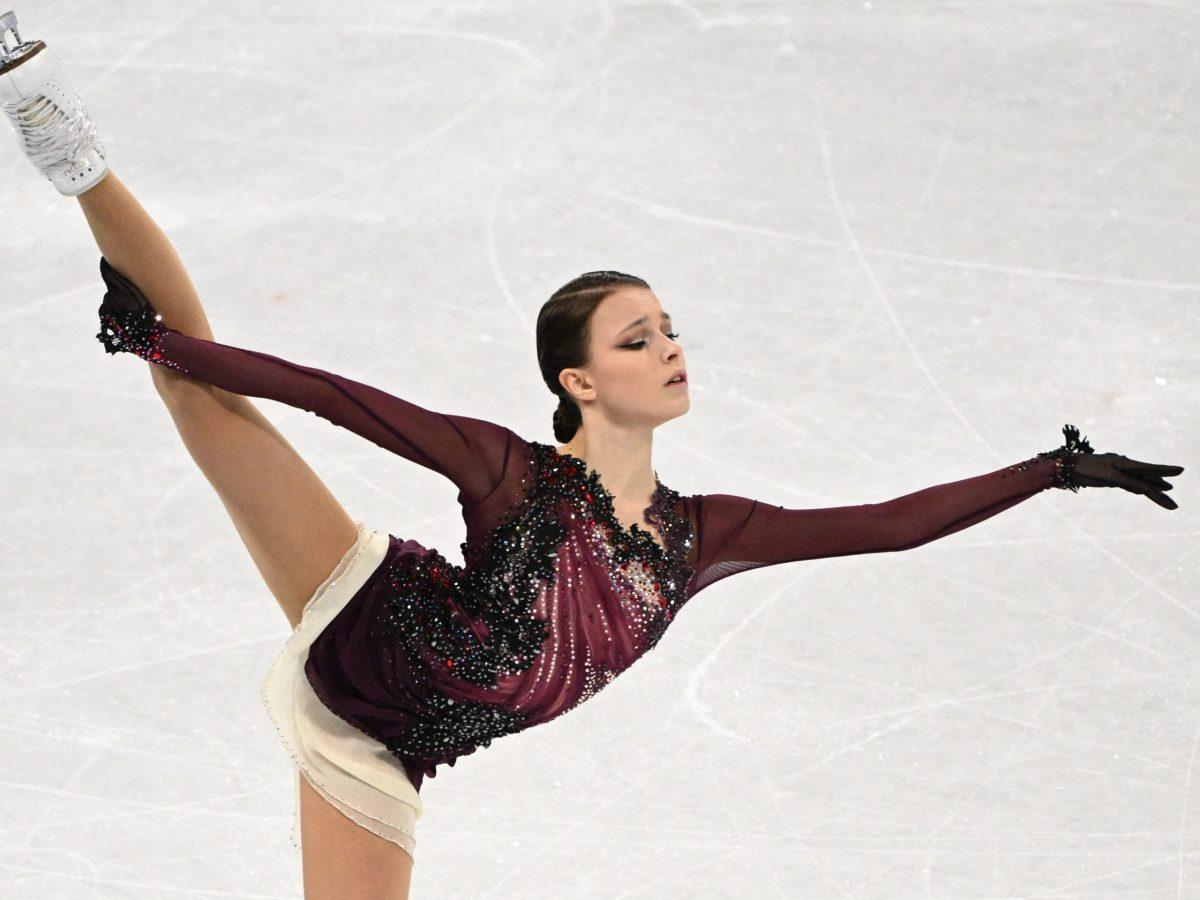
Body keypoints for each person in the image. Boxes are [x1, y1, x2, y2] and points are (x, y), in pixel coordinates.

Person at [2, 13, 1185, 899]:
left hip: (391, 742)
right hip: (366, 605)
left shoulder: (705, 536)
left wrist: (1050, 471)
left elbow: (886, 523)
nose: (670, 349)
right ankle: (65, 140)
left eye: (670, 330)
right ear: (579, 380)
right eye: (637, 337)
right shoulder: (510, 477)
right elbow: (337, 399)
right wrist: (162, 340)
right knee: (189, 379)